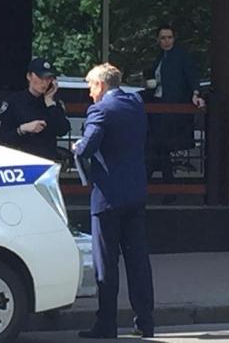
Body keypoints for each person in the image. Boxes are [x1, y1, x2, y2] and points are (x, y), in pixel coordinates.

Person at [73, 63, 154, 339]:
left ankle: (106, 324)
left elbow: (89, 146)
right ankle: (145, 321)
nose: (89, 93)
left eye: (90, 86)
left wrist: (77, 147)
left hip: (108, 197)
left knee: (106, 263)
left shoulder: (100, 110)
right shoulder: (136, 105)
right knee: (138, 260)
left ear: (101, 84)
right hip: (135, 193)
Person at [146, 24, 205, 183]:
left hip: (171, 106)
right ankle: (164, 182)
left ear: (174, 39)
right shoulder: (159, 57)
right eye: (163, 38)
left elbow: (192, 76)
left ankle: (155, 180)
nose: (166, 41)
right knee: (159, 145)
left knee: (161, 144)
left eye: (169, 37)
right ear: (158, 40)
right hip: (158, 104)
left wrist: (196, 94)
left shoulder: (180, 56)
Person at [0, 57, 70, 160]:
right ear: (29, 76)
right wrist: (22, 129)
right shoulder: (14, 101)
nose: (44, 82)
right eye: (40, 77)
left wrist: (50, 104)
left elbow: (63, 130)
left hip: (46, 159)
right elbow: (2, 137)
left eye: (48, 78)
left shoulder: (53, 102)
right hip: (21, 159)